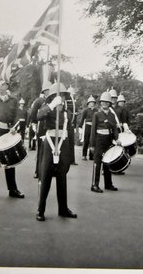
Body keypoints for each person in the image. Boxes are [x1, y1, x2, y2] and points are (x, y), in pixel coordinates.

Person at [36, 82, 77, 221]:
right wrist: (52, 105)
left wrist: (71, 155)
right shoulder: (47, 108)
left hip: (63, 143)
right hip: (50, 142)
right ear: (52, 97)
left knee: (62, 177)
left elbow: (70, 133)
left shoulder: (67, 113)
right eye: (57, 96)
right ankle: (40, 210)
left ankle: (63, 209)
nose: (61, 99)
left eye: (63, 96)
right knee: (46, 175)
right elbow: (38, 116)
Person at [90, 91, 121, 193]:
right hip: (99, 139)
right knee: (97, 163)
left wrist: (117, 139)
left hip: (109, 140)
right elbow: (93, 130)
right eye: (103, 102)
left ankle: (108, 184)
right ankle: (95, 184)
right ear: (100, 103)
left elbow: (115, 129)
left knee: (108, 162)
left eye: (107, 102)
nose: (105, 104)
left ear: (109, 104)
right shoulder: (97, 114)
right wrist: (92, 144)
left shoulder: (112, 115)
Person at [30, 81, 51, 179]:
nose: (49, 92)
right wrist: (34, 122)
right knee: (41, 150)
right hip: (42, 127)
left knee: (50, 150)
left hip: (51, 127)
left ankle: (48, 171)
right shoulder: (39, 101)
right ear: (44, 91)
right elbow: (33, 114)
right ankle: (38, 171)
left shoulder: (54, 100)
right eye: (47, 90)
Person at [79, 95, 97, 160]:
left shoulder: (96, 111)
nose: (92, 104)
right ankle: (84, 155)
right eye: (90, 102)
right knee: (86, 141)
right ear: (88, 103)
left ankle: (91, 155)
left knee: (92, 141)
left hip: (94, 127)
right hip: (87, 126)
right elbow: (82, 119)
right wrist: (80, 127)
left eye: (93, 102)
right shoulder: (86, 111)